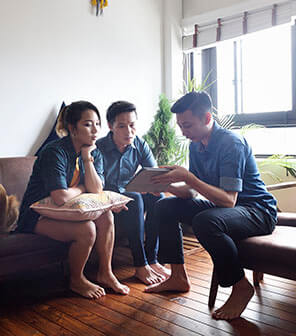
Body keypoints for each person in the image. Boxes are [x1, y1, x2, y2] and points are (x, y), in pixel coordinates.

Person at [145, 91, 277, 320]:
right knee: (164, 206)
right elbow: (194, 191)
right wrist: (168, 187)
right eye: (180, 126)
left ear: (206, 119)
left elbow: (228, 199)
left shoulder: (231, 144)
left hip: (257, 211)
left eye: (187, 125)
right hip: (229, 210)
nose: (183, 132)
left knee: (205, 220)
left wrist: (188, 178)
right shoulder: (196, 145)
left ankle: (240, 286)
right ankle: (178, 276)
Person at [16, 101, 129, 299]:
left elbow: (96, 189)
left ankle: (105, 272)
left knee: (107, 216)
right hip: (35, 216)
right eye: (87, 124)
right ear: (72, 128)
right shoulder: (55, 152)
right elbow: (60, 197)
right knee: (87, 229)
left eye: (97, 124)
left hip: (65, 209)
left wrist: (87, 157)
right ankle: (76, 279)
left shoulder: (94, 152)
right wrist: (81, 187)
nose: (95, 130)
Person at [97, 101, 167, 285]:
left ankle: (152, 259)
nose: (129, 131)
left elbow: (153, 175)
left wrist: (149, 186)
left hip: (129, 197)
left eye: (132, 125)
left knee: (158, 198)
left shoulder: (139, 144)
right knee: (134, 198)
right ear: (111, 127)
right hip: (107, 201)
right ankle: (140, 265)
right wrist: (131, 191)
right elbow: (97, 187)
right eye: (122, 126)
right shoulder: (98, 148)